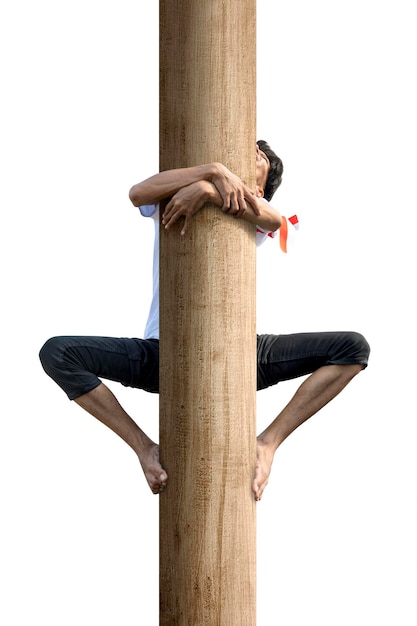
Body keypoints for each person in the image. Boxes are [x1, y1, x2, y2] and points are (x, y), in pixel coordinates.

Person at [39, 141, 370, 501]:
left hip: (242, 353)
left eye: (256, 163)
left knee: (352, 348)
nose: (249, 157)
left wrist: (209, 191)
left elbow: (274, 218)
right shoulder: (176, 196)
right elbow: (137, 193)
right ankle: (143, 447)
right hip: (163, 352)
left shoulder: (259, 217)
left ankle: (268, 444)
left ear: (259, 189)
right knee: (58, 352)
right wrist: (211, 172)